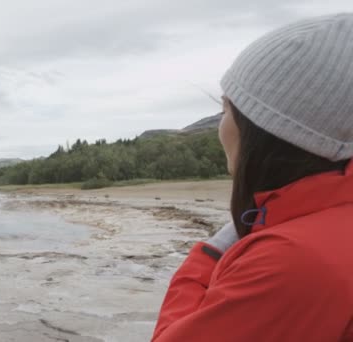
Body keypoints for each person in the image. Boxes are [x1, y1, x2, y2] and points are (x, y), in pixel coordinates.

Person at [151, 13, 353, 342]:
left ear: (265, 129)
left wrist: (212, 252)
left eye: (226, 109)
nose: (221, 126)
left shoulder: (291, 262)